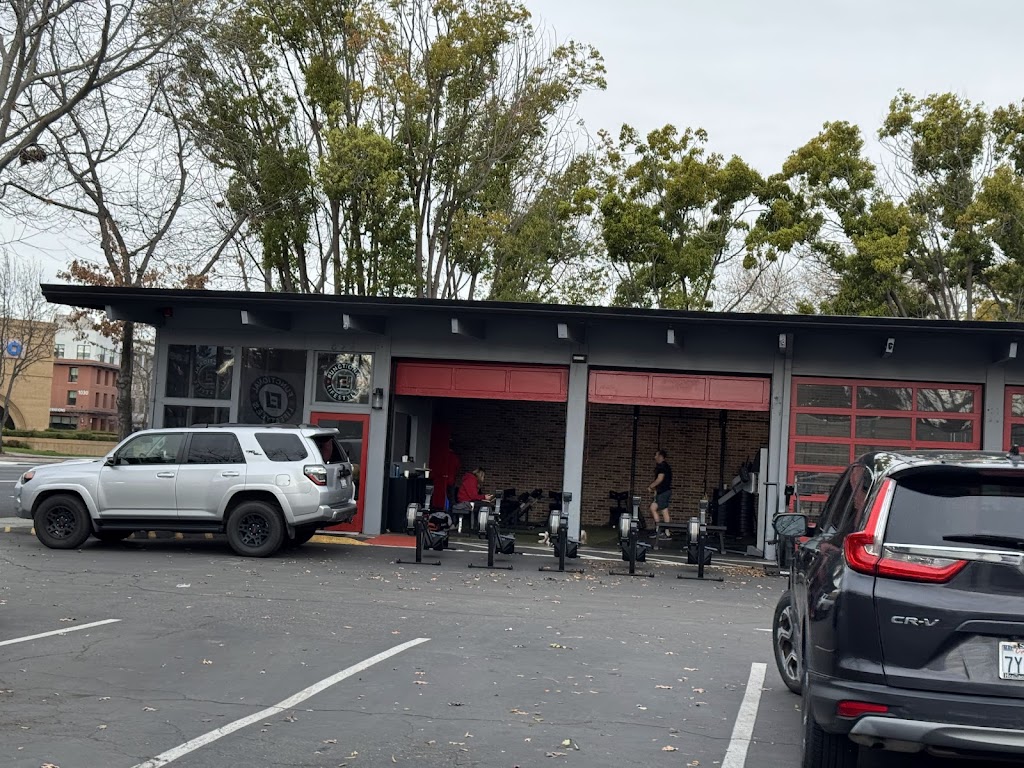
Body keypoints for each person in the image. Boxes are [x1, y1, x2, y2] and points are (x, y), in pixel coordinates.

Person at [647, 449, 673, 538]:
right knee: (653, 508)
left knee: (664, 510)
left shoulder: (663, 467)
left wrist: (651, 486)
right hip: (660, 492)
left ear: (660, 456)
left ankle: (667, 532)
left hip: (663, 492)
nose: (655, 457)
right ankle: (658, 530)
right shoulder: (663, 466)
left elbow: (659, 479)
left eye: (656, 455)